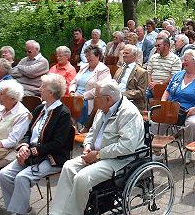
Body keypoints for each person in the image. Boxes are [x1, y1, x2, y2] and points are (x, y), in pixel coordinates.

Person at [50, 80, 145, 215]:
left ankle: (73, 212)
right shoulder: (103, 109)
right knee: (68, 167)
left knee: (82, 178)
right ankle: (57, 212)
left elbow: (127, 146)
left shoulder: (129, 113)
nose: (94, 100)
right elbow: (92, 132)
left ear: (108, 99)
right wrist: (87, 146)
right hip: (97, 154)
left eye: (96, 97)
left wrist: (98, 154)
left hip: (119, 160)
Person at [0, 73, 72, 215]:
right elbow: (28, 132)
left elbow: (58, 143)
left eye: (42, 86)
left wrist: (31, 151)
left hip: (51, 157)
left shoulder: (63, 113)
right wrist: (24, 146)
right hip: (30, 153)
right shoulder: (40, 109)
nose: (39, 88)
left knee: (22, 178)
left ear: (51, 93)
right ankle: (22, 210)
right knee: (4, 174)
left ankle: (19, 212)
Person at [0, 80, 30, 203]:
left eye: (2, 94)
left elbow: (12, 141)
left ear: (13, 98)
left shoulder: (22, 114)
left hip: (7, 152)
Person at [158, 50, 195, 163]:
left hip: (191, 110)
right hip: (172, 109)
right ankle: (156, 151)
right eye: (183, 60)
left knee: (192, 124)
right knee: (156, 121)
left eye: (186, 60)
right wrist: (163, 102)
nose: (183, 62)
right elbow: (167, 91)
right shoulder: (178, 75)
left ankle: (187, 149)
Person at [69, 46, 111, 127]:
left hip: (88, 99)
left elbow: (101, 88)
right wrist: (72, 91)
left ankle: (79, 128)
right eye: (86, 56)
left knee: (79, 105)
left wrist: (82, 96)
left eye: (89, 56)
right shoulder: (84, 67)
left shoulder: (103, 69)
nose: (87, 58)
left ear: (98, 56)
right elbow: (74, 81)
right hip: (74, 96)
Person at [113, 45, 148, 112]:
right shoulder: (120, 69)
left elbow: (140, 92)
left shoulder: (141, 72)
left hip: (131, 102)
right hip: (115, 100)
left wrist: (121, 94)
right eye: (123, 53)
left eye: (127, 53)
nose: (124, 55)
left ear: (134, 56)